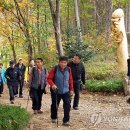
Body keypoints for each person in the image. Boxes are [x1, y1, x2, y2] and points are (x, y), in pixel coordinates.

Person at [47, 56, 73, 126]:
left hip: (66, 90)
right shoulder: (54, 69)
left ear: (67, 63)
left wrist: (71, 89)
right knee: (55, 104)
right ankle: (54, 117)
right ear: (59, 62)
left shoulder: (69, 69)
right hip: (56, 90)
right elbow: (49, 79)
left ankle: (66, 120)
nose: (63, 64)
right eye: (62, 62)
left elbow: (70, 80)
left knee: (67, 105)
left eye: (65, 62)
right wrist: (52, 85)